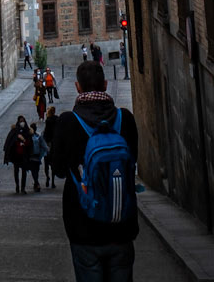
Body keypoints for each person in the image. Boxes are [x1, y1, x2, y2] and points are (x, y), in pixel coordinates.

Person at [48, 57, 140, 281]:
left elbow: (58, 169)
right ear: (106, 85)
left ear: (77, 87)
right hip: (121, 226)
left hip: (83, 228)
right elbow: (133, 160)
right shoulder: (125, 119)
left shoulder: (67, 122)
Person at [6, 115, 32, 193]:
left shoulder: (27, 130)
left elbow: (30, 142)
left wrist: (24, 140)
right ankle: (17, 185)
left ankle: (23, 187)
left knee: (24, 171)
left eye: (23, 121)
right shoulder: (15, 131)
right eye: (20, 121)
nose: (22, 122)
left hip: (24, 154)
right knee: (16, 171)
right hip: (16, 155)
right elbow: (10, 142)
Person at [42, 105, 58, 187]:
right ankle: (53, 181)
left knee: (46, 163)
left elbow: (46, 133)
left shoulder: (48, 121)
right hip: (54, 144)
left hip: (48, 143)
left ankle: (47, 177)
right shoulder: (57, 119)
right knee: (53, 164)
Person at [30, 120, 45, 191]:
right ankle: (36, 183)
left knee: (34, 170)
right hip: (37, 156)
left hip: (32, 156)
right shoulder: (38, 136)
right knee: (36, 170)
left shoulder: (29, 136)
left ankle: (36, 183)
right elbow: (43, 145)